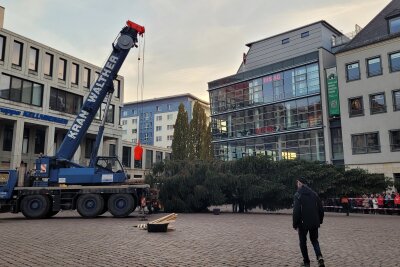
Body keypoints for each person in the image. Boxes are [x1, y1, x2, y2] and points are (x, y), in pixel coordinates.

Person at [293, 177, 325, 267]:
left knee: (303, 243)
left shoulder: (298, 195)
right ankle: (319, 256)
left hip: (302, 223)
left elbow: (296, 211)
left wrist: (295, 224)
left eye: (297, 183)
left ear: (300, 183)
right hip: (314, 222)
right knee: (314, 240)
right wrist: (320, 220)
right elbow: (321, 209)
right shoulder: (314, 194)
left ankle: (306, 262)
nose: (297, 185)